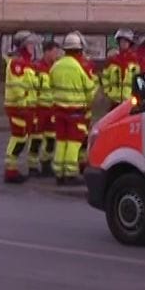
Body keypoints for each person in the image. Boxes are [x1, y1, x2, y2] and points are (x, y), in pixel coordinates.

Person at [48, 31, 98, 186]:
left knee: (61, 141)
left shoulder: (56, 66)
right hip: (76, 112)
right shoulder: (80, 67)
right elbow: (90, 91)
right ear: (78, 49)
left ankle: (59, 172)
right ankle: (70, 173)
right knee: (74, 143)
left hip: (59, 111)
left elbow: (50, 86)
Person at [2, 32, 39, 183]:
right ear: (23, 46)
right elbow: (17, 87)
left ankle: (12, 169)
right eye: (30, 44)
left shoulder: (26, 62)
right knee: (18, 138)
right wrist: (24, 102)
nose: (33, 47)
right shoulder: (18, 63)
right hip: (18, 107)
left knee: (23, 138)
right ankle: (10, 171)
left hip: (26, 107)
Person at [30, 36, 62, 175]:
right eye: (55, 52)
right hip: (39, 108)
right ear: (47, 52)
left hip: (53, 109)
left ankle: (46, 163)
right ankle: (32, 165)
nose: (57, 55)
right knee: (36, 138)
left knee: (51, 138)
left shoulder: (57, 68)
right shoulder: (37, 68)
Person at [99, 29, 137, 105]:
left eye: (126, 41)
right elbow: (104, 77)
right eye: (121, 41)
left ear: (130, 43)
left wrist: (138, 96)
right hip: (114, 102)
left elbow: (140, 80)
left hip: (129, 102)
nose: (123, 43)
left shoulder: (135, 61)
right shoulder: (112, 61)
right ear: (118, 43)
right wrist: (108, 91)